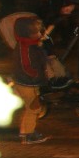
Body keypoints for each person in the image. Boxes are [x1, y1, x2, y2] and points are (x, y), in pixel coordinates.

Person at [12, 17, 51, 145]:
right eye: (37, 32)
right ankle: (28, 134)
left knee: (31, 107)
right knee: (34, 108)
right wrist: (35, 74)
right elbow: (26, 65)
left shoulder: (30, 44)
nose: (40, 34)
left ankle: (26, 131)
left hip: (28, 82)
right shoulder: (25, 47)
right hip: (28, 83)